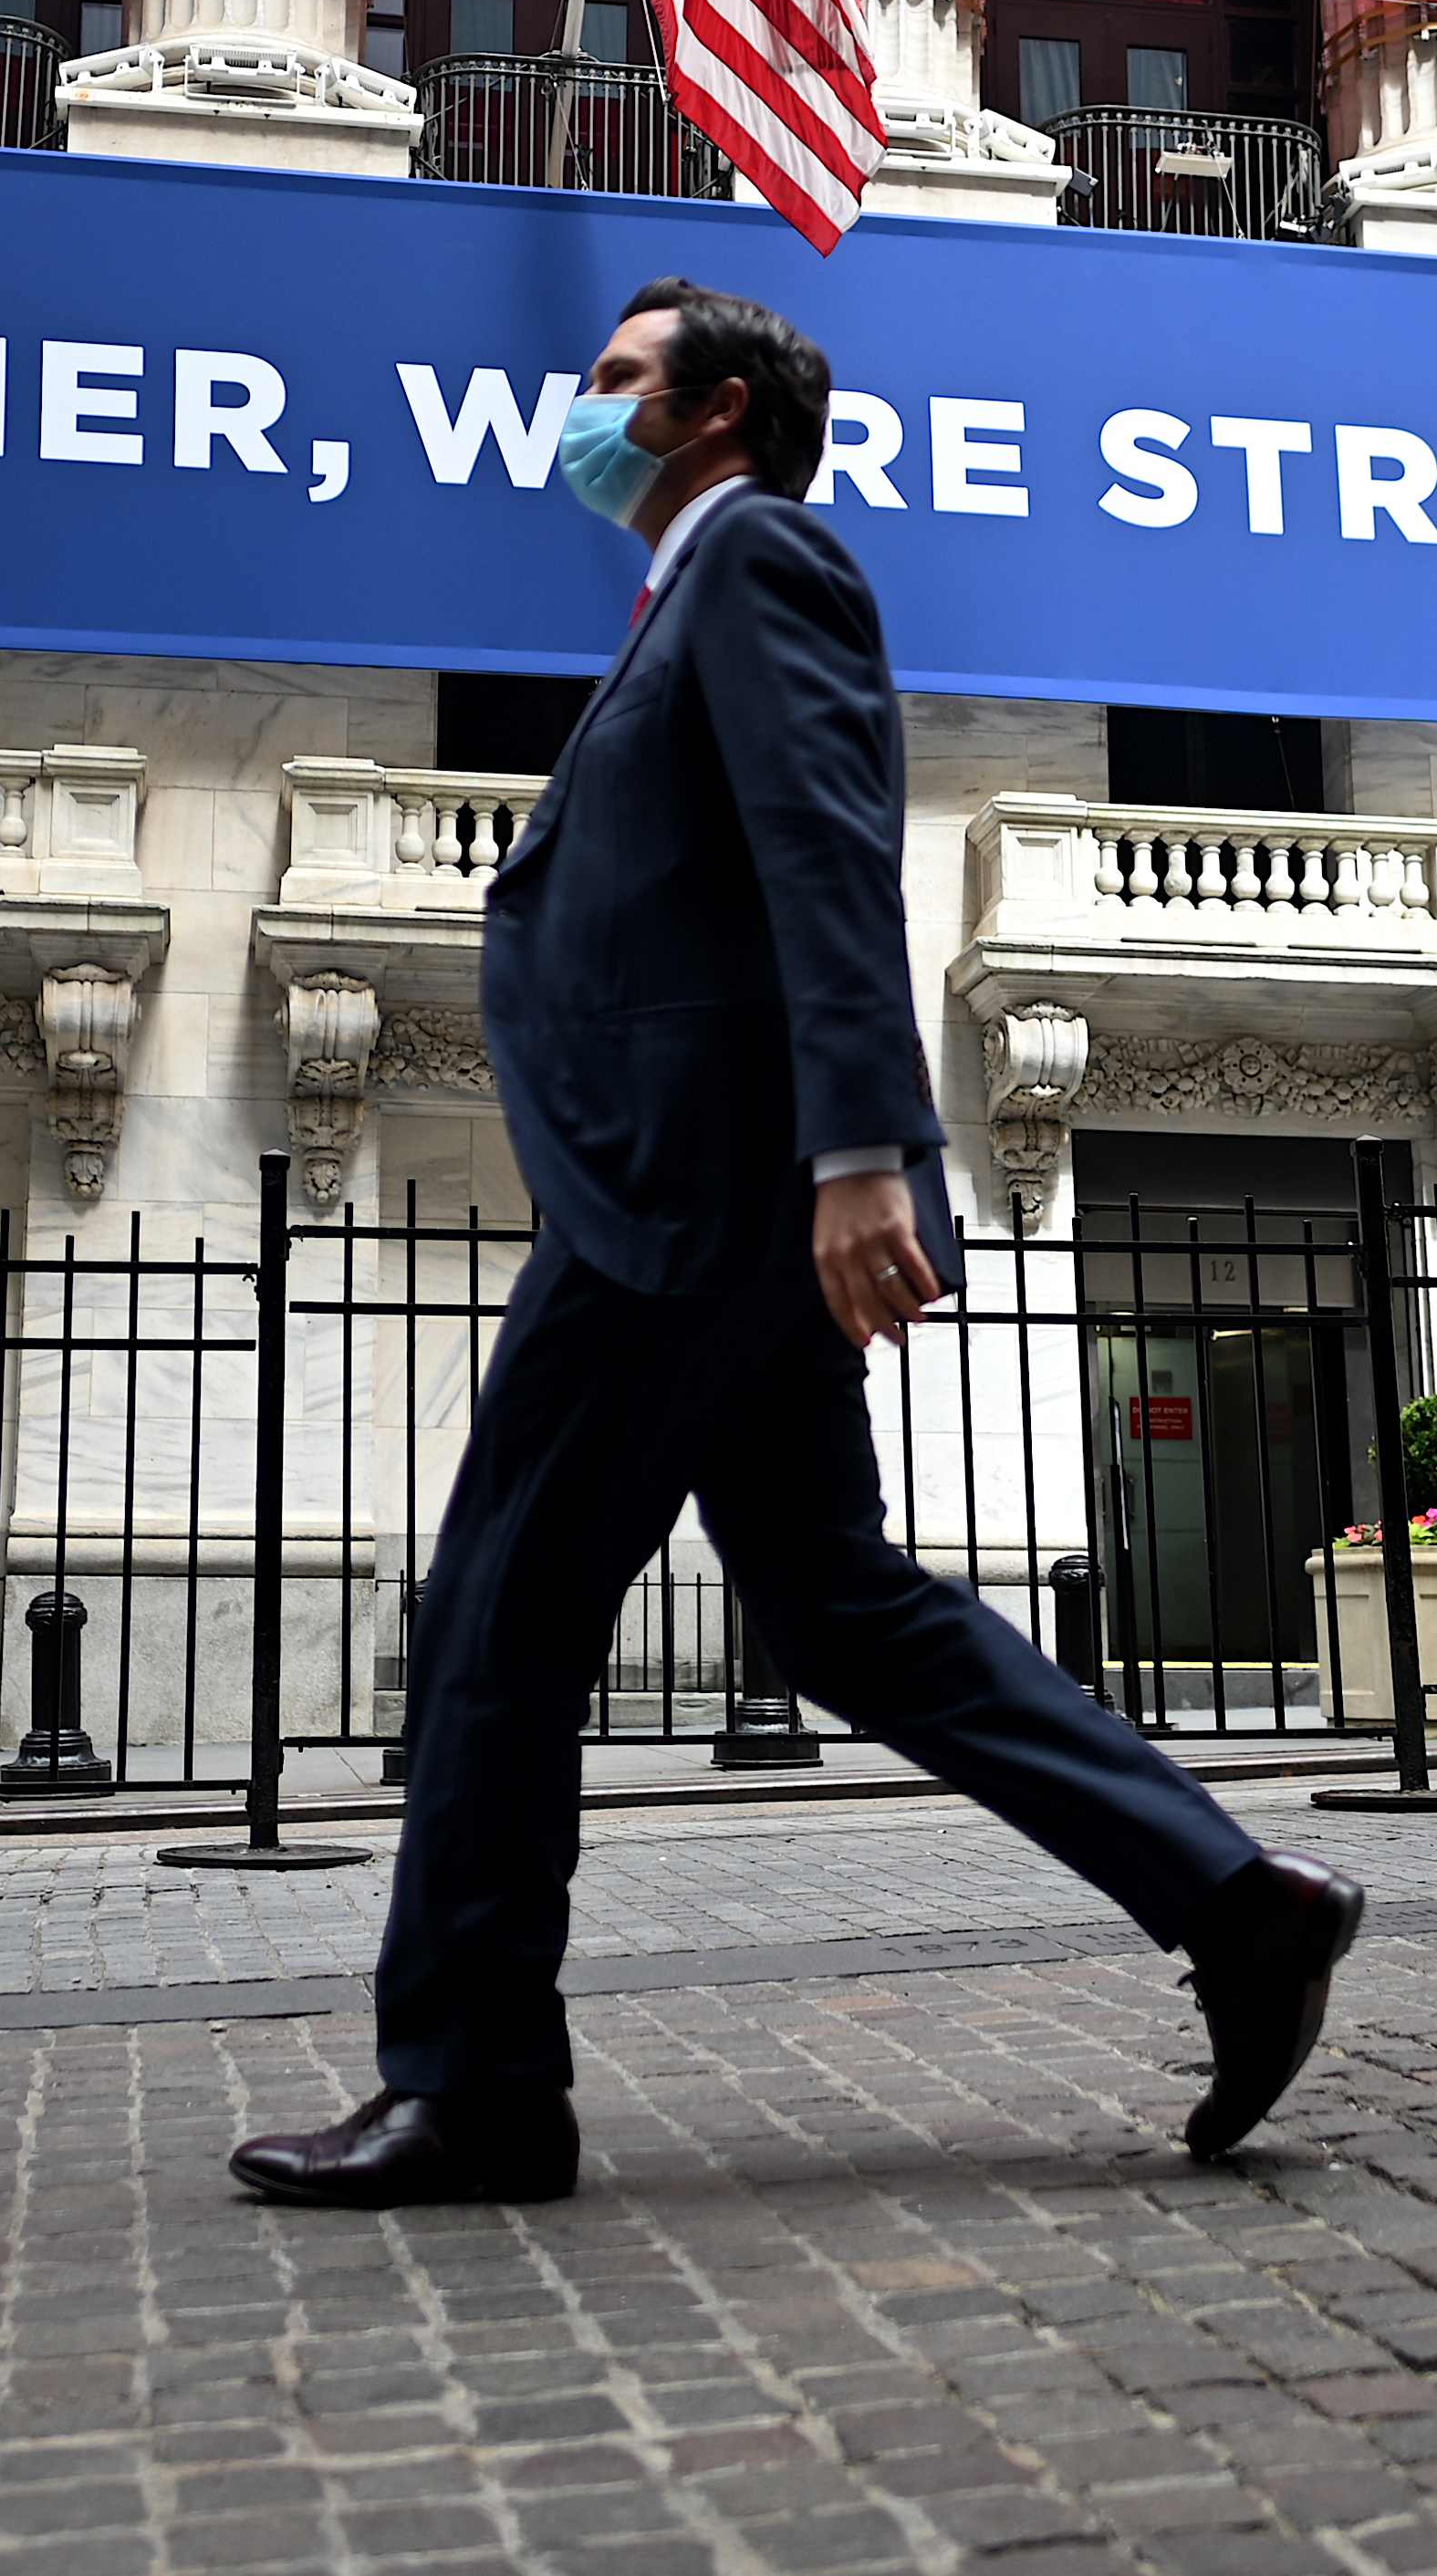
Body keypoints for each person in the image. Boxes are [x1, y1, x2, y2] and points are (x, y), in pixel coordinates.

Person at [231, 280, 1365, 2208]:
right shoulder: (688, 588)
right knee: (835, 1598)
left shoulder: (758, 556)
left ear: (715, 409)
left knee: (495, 1626)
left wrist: (862, 1150)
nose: (580, 415)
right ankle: (1234, 1900)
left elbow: (828, 853)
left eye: (612, 384)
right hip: (711, 1186)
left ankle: (477, 2081)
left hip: (695, 1196)